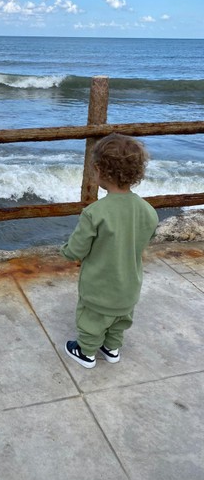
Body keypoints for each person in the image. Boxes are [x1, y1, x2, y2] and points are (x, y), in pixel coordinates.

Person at [60, 133, 159, 368]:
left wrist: (66, 251)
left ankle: (86, 352)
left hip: (99, 286)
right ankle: (112, 348)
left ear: (98, 170)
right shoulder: (148, 211)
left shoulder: (95, 213)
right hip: (129, 287)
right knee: (119, 321)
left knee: (91, 320)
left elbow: (76, 248)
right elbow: (148, 236)